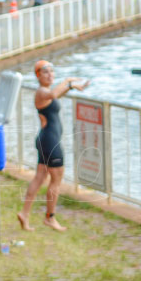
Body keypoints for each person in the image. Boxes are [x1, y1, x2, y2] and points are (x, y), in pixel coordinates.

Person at [16, 61, 89, 232]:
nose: (50, 75)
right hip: (50, 142)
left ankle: (24, 214)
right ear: (38, 76)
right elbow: (54, 94)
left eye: (51, 72)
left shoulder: (46, 93)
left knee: (40, 177)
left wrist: (70, 88)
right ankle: (50, 218)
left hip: (45, 140)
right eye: (45, 72)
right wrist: (68, 81)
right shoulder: (42, 91)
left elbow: (55, 96)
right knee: (56, 180)